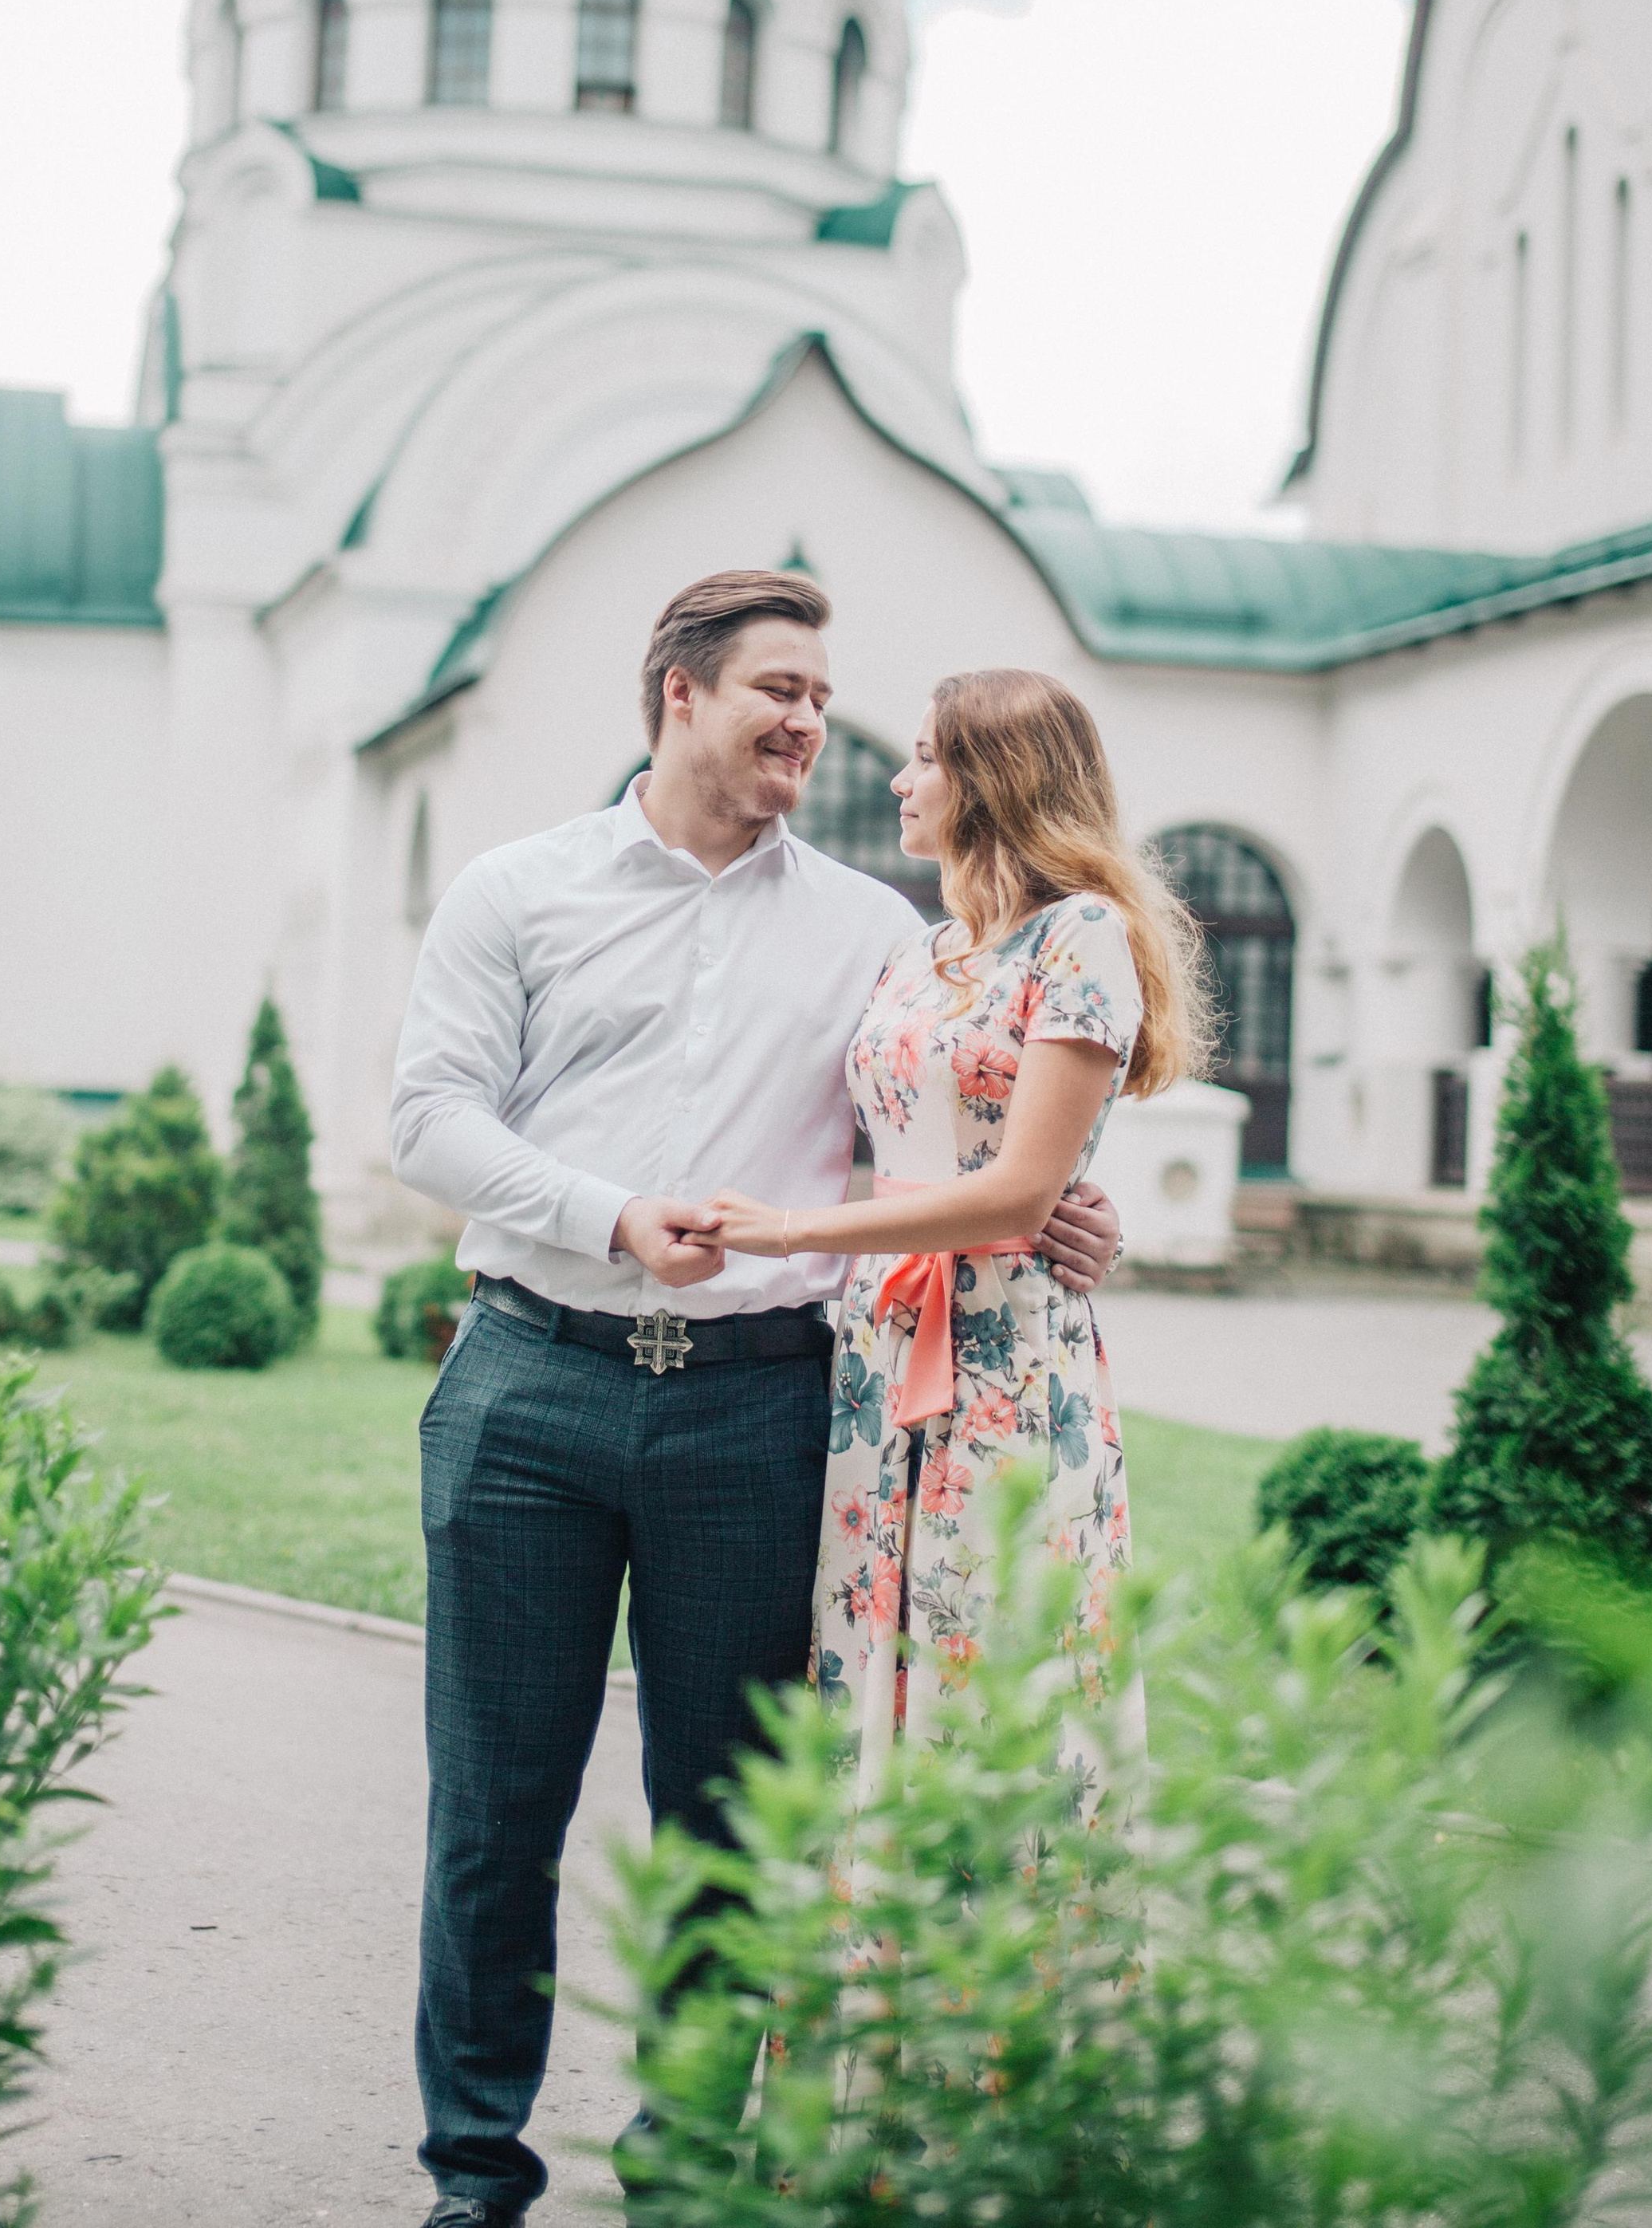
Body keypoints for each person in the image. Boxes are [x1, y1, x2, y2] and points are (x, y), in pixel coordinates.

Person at [388, 576, 1123, 2228]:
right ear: (676, 692)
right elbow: (429, 1115)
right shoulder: (518, 888)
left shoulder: (877, 928)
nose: (810, 723)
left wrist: (1057, 1202)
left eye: (820, 696)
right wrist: (604, 1212)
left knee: (725, 1827)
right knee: (493, 1816)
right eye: (775, 691)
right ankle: (472, 2180)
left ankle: (688, 2181)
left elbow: (960, 1120)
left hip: (759, 1415)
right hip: (527, 1388)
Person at [698, 667, 1206, 1803]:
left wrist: (788, 1231)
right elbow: (909, 1140)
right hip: (877, 1353)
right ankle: (874, 1954)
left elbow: (1020, 1193)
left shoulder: (1082, 936)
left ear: (997, 779)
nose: (897, 775)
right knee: (871, 1633)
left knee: (983, 1648)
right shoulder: (921, 952)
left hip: (1003, 1363)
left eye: (926, 755)